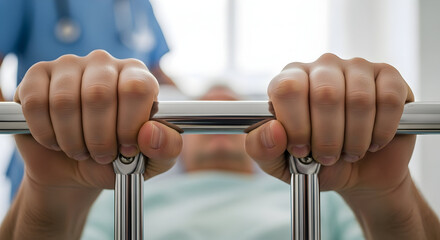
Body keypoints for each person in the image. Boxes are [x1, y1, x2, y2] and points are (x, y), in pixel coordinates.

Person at [0, 50, 439, 239]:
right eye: (204, 114)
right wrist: (51, 201)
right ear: (180, 142)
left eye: (233, 112)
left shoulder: (323, 197)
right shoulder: (120, 199)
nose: (220, 124)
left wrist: (388, 197)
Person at [0, 0, 175, 201]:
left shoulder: (139, 3)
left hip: (128, 162)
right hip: (48, 157)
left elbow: (156, 73)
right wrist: (19, 127)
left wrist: (205, 99)